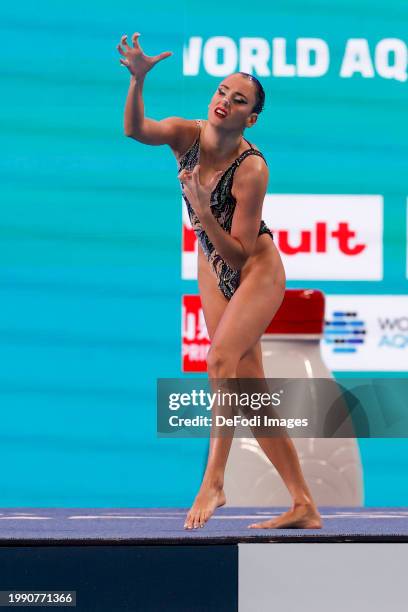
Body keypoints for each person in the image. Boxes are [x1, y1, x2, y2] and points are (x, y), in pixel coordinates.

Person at [117, 32, 322, 531]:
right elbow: (135, 130)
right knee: (250, 392)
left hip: (255, 270)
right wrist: (138, 81)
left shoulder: (252, 168)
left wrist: (206, 212)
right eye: (221, 91)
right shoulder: (186, 135)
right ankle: (304, 504)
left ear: (251, 117)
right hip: (210, 264)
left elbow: (240, 252)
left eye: (239, 99)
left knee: (221, 360)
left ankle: (213, 480)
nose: (224, 101)